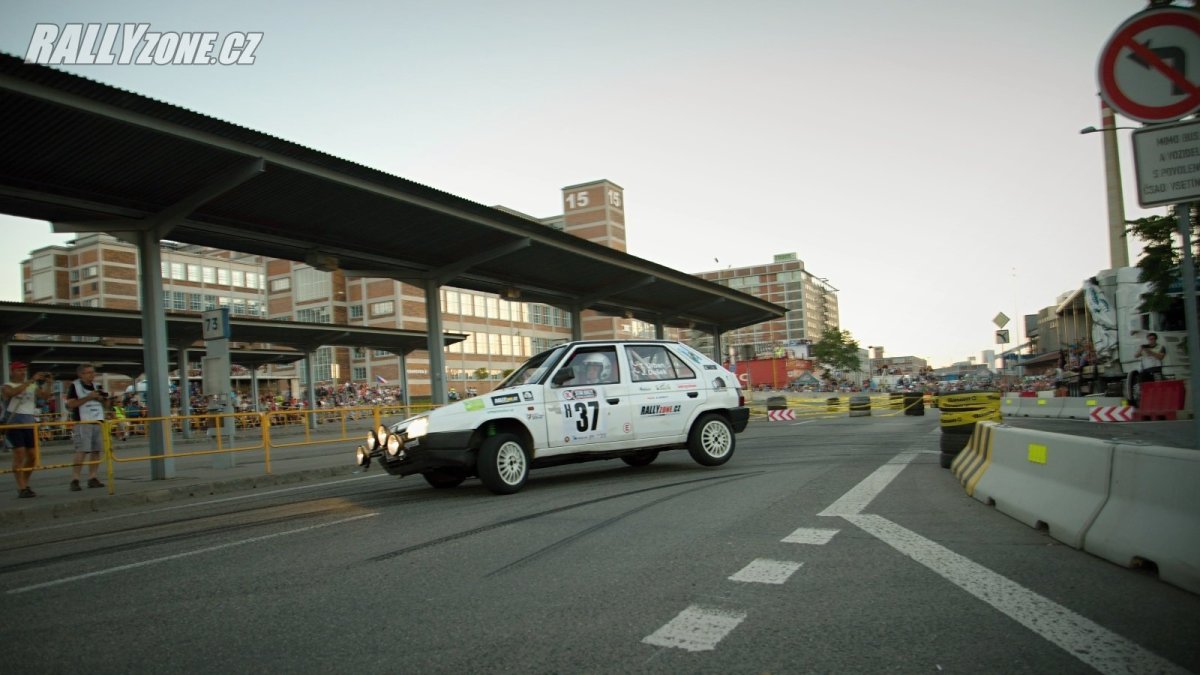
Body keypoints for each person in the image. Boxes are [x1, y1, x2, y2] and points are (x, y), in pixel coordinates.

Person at [3, 361, 54, 498]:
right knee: (19, 453)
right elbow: (12, 393)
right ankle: (20, 487)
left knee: (32, 455)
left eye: (24, 370)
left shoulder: (31, 386)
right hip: (14, 423)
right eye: (19, 370)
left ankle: (25, 482)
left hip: (29, 422)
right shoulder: (7, 386)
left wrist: (49, 383)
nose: (22, 373)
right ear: (13, 371)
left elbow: (45, 396)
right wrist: (31, 380)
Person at [66, 363, 109, 492]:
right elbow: (71, 404)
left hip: (98, 421)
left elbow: (107, 405)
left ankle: (93, 477)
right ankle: (75, 479)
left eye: (93, 372)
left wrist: (104, 399)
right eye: (89, 372)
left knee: (96, 450)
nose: (92, 375)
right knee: (82, 450)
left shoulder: (97, 386)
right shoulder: (75, 386)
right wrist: (88, 397)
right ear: (81, 374)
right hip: (83, 421)